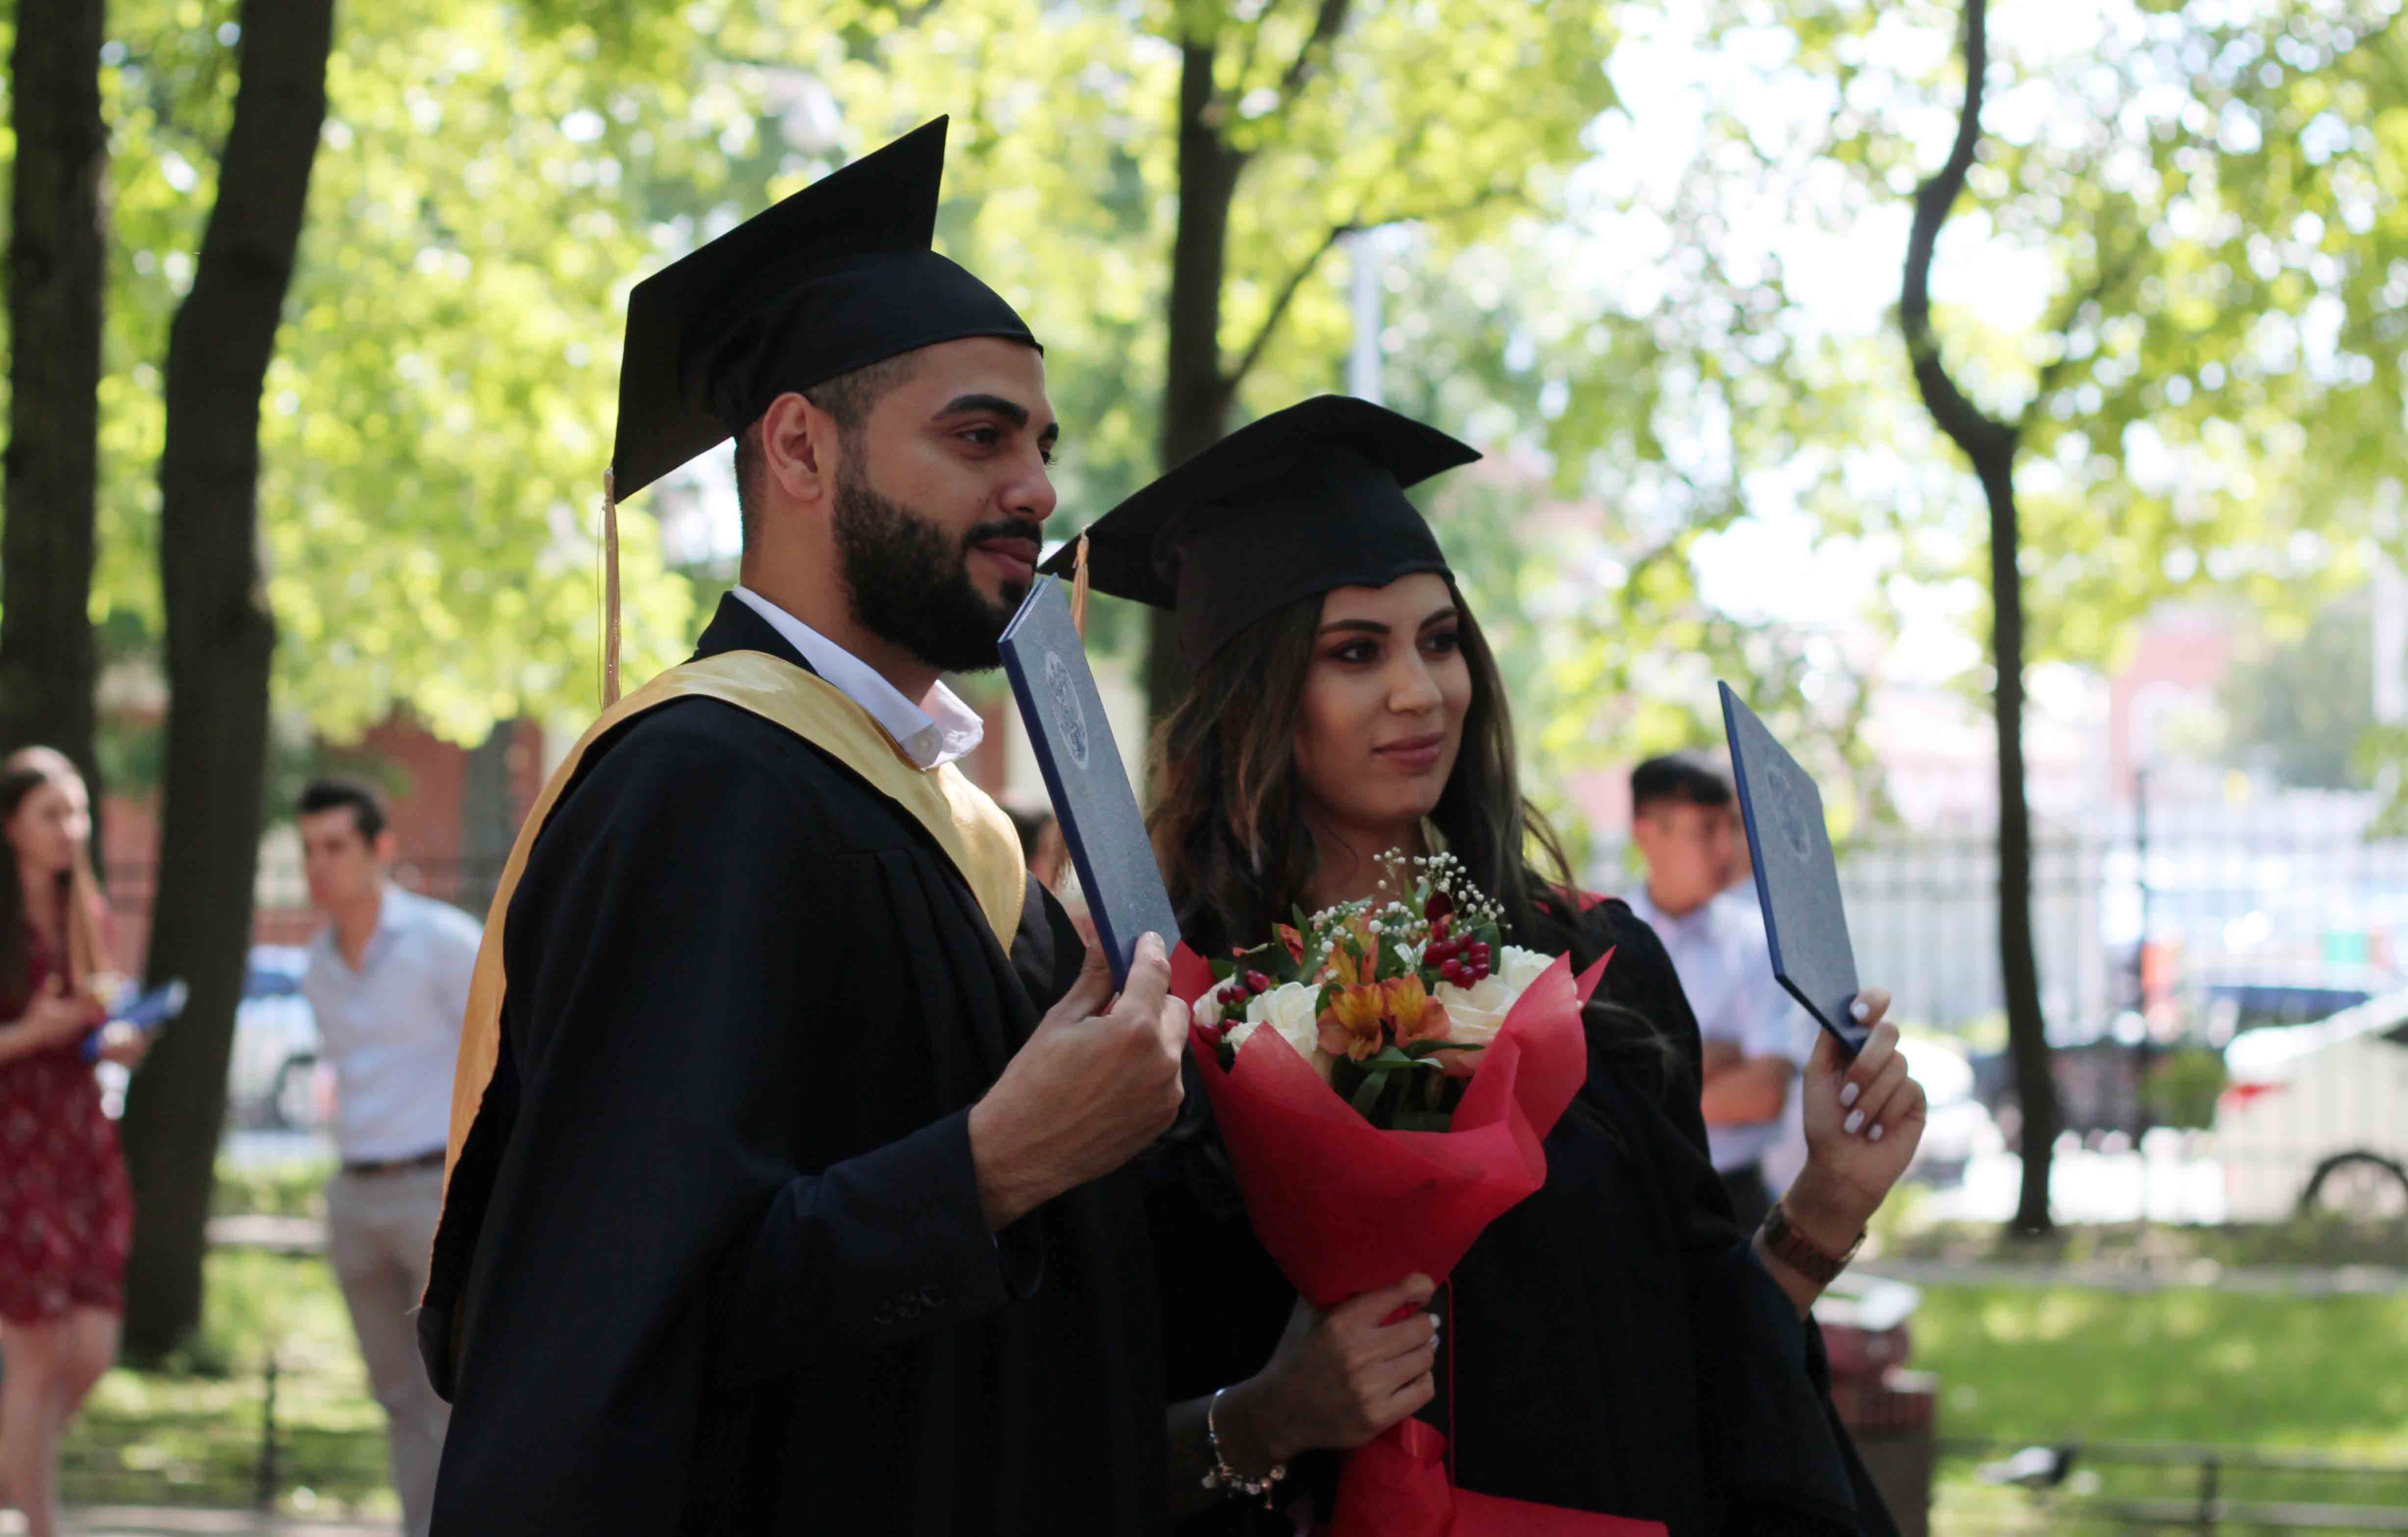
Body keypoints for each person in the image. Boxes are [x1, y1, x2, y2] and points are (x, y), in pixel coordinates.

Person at [418, 118, 1185, 1535]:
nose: (1035, 489)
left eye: (1041, 446)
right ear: (798, 449)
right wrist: (992, 1164)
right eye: (978, 436)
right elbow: (603, 1325)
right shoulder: (695, 790)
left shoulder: (974, 841)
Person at [1043, 396, 1923, 1534]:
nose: (1421, 690)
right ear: (1255, 694)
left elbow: (1701, 1361)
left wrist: (1827, 1202)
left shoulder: (1593, 966)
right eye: (1355, 652)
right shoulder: (1169, 1015)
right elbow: (1067, 1441)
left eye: (1441, 639)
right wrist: (1265, 1418)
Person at [294, 779, 478, 1537]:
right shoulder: (317, 965)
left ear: (381, 849)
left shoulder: (444, 941)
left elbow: (506, 1049)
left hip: (435, 1192)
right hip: (354, 1198)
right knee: (398, 1400)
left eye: (335, 847)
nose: (319, 865)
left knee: (452, 1395)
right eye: (309, 850)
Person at [0, 749, 145, 1537]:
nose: (71, 829)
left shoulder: (87, 910)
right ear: (10, 825)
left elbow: (98, 1021)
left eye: (79, 811)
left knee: (91, 1348)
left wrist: (116, 1040)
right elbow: (30, 1034)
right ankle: (41, 1525)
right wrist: (31, 1033)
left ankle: (16, 1469)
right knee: (37, 1350)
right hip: (12, 1144)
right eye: (51, 814)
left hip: (81, 1139)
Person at [1625, 753, 1816, 1229]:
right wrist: (1714, 1058)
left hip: (1734, 1201)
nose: (1727, 848)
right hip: (1632, 1199)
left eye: (1731, 826)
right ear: (1647, 834)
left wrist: (1643, 1082)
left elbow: (1764, 1094)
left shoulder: (1761, 944)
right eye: (1706, 830)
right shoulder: (1604, 940)